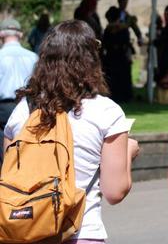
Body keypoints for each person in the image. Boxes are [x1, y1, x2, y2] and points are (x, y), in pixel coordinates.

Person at [3, 20, 140, 243]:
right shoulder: (106, 112)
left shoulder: (23, 110)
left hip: (24, 232)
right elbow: (115, 192)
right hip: (80, 232)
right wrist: (129, 152)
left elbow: (9, 176)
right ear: (91, 59)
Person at [0, 18, 38, 163]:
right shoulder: (33, 57)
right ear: (20, 35)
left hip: (3, 109)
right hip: (28, 107)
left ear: (1, 35)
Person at [103, 6, 133, 103]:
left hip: (112, 56)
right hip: (121, 55)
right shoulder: (123, 28)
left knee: (113, 77)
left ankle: (115, 95)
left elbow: (105, 42)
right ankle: (124, 96)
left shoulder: (109, 29)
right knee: (122, 77)